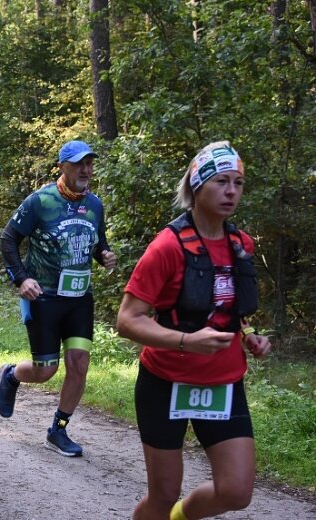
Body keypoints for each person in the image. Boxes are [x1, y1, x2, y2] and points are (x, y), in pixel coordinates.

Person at [116, 141, 271, 520]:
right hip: (165, 381)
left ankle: (181, 517)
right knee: (163, 493)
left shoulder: (240, 245)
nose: (231, 191)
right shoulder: (167, 247)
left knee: (236, 491)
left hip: (222, 381)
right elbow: (128, 320)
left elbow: (228, 308)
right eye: (221, 181)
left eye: (238, 183)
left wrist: (249, 333)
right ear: (198, 186)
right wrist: (187, 341)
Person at [0, 140, 116, 457]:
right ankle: (11, 375)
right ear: (62, 167)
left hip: (79, 297)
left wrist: (104, 255)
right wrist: (22, 279)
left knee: (79, 365)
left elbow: (97, 242)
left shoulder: (95, 205)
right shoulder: (40, 201)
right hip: (44, 297)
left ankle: (57, 431)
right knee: (45, 369)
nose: (86, 170)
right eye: (79, 164)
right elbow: (8, 239)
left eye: (89, 164)